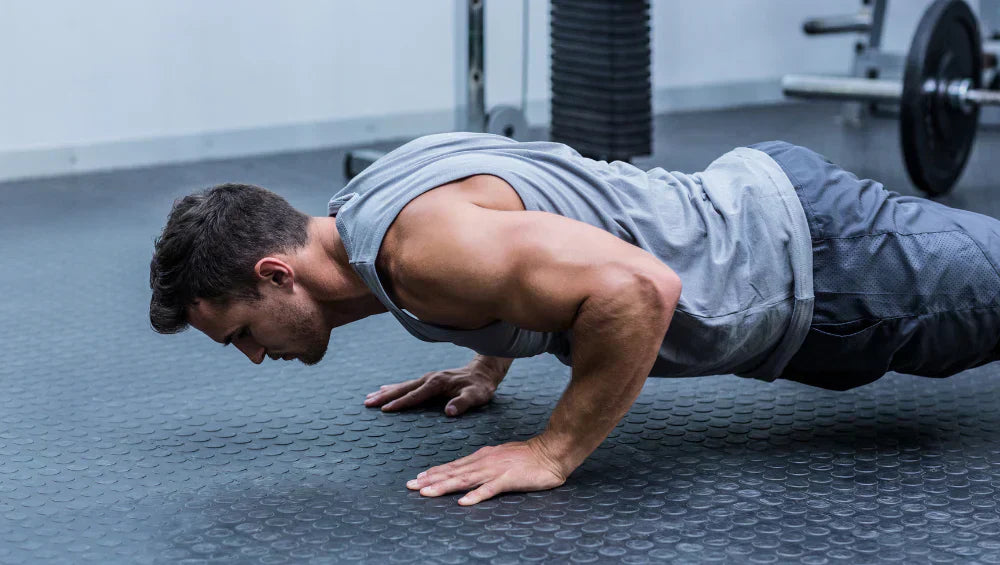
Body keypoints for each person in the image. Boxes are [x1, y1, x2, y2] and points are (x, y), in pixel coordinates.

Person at [149, 132, 1000, 506]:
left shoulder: (422, 253)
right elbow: (537, 209)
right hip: (781, 216)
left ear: (276, 273)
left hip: (823, 267)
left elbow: (638, 290)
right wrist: (489, 355)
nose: (256, 357)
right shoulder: (371, 209)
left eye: (245, 334)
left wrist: (552, 451)